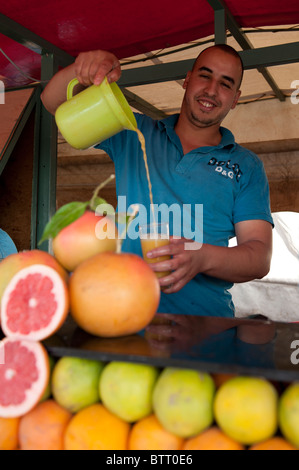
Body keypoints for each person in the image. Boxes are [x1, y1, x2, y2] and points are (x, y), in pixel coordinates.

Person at [41, 44, 273, 318]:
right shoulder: (133, 131)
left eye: (225, 83)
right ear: (187, 79)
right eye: (204, 75)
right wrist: (82, 70)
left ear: (235, 98)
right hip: (124, 315)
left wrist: (202, 257)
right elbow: (52, 102)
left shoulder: (246, 165)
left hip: (205, 326)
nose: (211, 90)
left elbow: (259, 258)